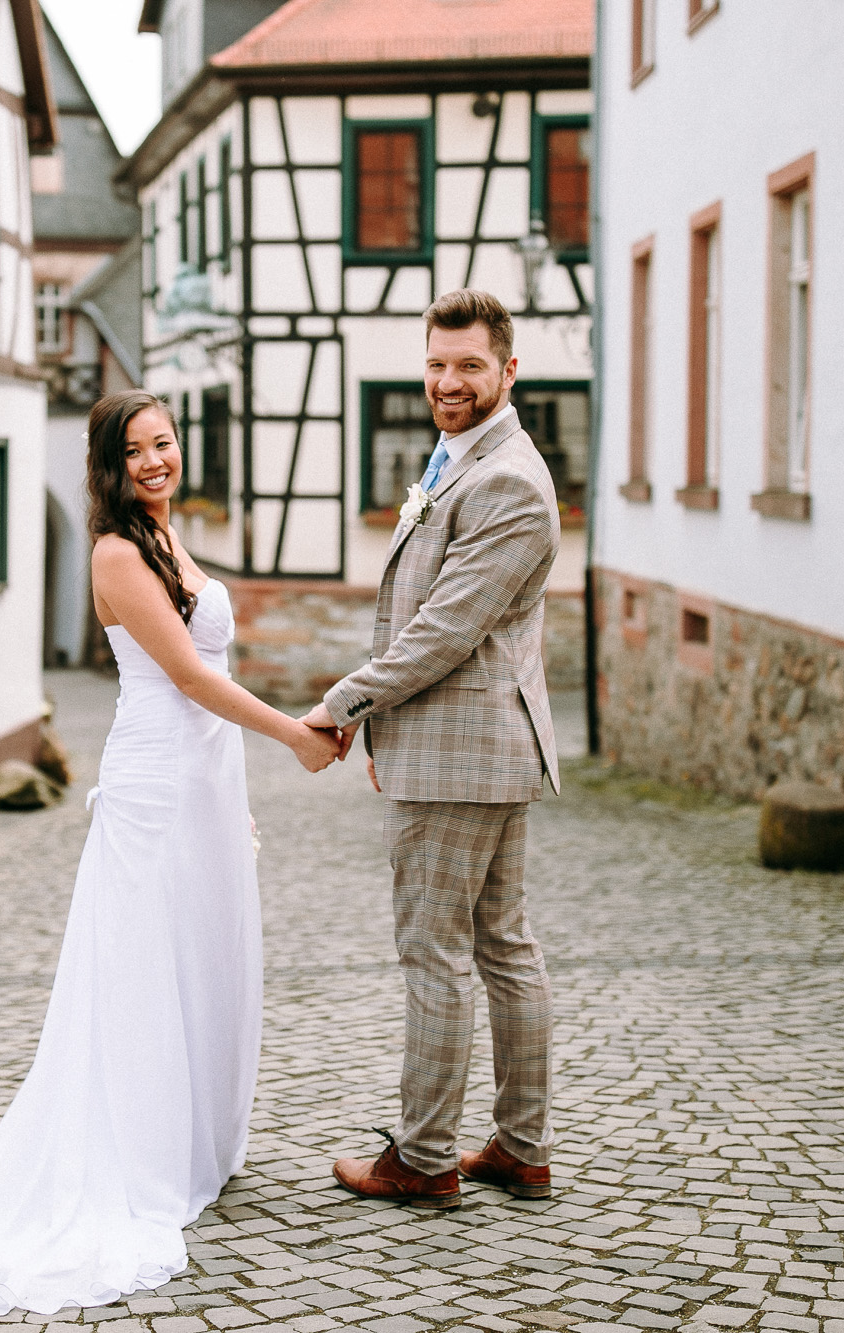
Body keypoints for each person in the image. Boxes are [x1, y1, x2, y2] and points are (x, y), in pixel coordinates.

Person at [0, 391, 342, 1316]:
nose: (155, 461)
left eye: (165, 443)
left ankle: (193, 1142)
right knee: (144, 963)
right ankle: (140, 1151)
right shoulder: (114, 552)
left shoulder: (170, 537)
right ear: (108, 464)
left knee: (205, 955)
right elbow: (186, 677)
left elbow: (204, 690)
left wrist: (239, 798)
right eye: (134, 450)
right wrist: (294, 735)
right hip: (155, 783)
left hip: (203, 784)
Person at [301, 289, 560, 1210]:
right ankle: (520, 1150)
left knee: (439, 952)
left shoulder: (507, 481)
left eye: (470, 367)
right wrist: (386, 725)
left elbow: (445, 630)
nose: (449, 382)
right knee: (500, 944)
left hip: (467, 754)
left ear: (508, 371)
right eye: (437, 364)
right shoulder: (463, 456)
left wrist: (344, 705)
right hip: (469, 745)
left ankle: (423, 1158)